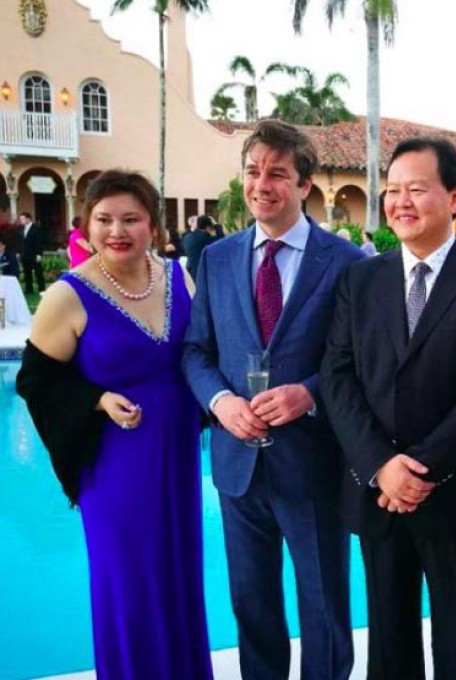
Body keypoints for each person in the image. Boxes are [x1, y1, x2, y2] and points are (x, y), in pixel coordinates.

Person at [321, 136, 456, 680]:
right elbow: (337, 376)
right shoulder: (360, 279)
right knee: (389, 639)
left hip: (452, 498)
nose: (401, 202)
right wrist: (381, 465)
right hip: (378, 492)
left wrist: (421, 467)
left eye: (417, 189)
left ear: (455, 198)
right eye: (393, 191)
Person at [182, 120, 364, 680]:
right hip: (238, 466)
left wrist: (308, 393)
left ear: (304, 185)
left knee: (324, 607)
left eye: (278, 173)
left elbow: (357, 362)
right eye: (253, 171)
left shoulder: (348, 263)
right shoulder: (215, 259)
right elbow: (196, 351)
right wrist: (219, 403)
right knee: (252, 605)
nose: (263, 184)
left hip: (312, 464)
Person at [15, 170, 213, 679]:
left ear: (153, 224)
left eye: (131, 218)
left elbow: (200, 353)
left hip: (178, 458)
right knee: (129, 585)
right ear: (87, 225)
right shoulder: (68, 295)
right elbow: (35, 381)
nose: (117, 230)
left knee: (178, 575)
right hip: (116, 468)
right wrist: (97, 399)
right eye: (104, 219)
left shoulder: (177, 277)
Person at [19, 211, 46, 295]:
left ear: (28, 219)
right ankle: (29, 289)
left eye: (22, 219)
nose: (21, 221)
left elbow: (39, 242)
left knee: (38, 272)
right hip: (25, 255)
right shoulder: (22, 229)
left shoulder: (36, 228)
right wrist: (19, 252)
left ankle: (41, 289)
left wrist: (39, 254)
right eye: (21, 219)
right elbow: (22, 242)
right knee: (27, 272)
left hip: (34, 254)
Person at [183, 215, 216, 281]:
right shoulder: (205, 237)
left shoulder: (187, 236)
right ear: (208, 227)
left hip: (190, 271)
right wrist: (216, 225)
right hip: (202, 272)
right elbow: (220, 240)